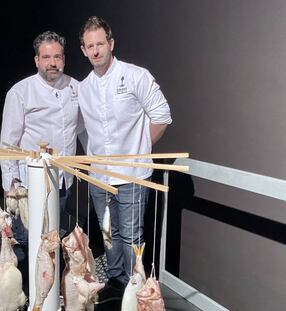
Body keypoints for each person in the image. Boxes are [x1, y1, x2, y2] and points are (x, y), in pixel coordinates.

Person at [78, 16, 172, 303]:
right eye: (90, 46)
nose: (96, 51)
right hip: (99, 178)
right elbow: (82, 129)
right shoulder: (83, 87)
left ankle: (136, 291)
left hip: (132, 174)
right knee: (108, 235)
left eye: (100, 44)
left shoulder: (135, 76)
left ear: (111, 44)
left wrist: (139, 149)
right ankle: (117, 287)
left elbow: (162, 116)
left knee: (132, 238)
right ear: (83, 50)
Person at [0, 30, 83, 298]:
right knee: (24, 241)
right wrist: (11, 186)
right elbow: (8, 145)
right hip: (26, 185)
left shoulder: (76, 88)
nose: (52, 63)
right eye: (46, 57)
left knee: (52, 238)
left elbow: (84, 131)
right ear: (36, 60)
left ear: (64, 59)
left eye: (57, 56)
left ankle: (47, 296)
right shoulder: (20, 92)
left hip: (61, 182)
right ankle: (22, 296)